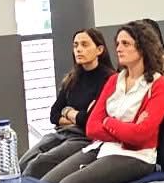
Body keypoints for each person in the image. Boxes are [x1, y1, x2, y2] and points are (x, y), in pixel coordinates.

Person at [39, 22, 164, 183]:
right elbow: (91, 127)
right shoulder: (114, 80)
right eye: (117, 43)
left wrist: (108, 121)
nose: (118, 48)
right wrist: (125, 129)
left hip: (135, 156)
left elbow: (140, 136)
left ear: (142, 48)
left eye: (126, 44)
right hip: (102, 147)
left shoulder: (159, 85)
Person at [22, 29, 116, 173]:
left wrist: (66, 112)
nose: (78, 49)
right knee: (23, 162)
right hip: (62, 131)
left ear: (99, 49)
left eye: (84, 45)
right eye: (75, 45)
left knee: (38, 164)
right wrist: (74, 115)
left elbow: (89, 121)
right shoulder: (72, 77)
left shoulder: (108, 78)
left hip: (83, 137)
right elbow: (54, 114)